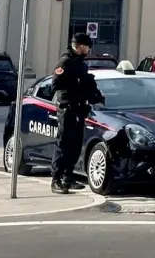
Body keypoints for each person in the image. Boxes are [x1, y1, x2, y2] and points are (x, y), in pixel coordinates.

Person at [49, 33, 105, 194]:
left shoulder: (81, 65)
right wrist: (77, 90)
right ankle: (56, 180)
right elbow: (55, 86)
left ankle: (68, 177)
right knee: (63, 145)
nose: (88, 50)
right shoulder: (65, 62)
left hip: (79, 110)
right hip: (67, 109)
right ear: (81, 46)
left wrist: (94, 94)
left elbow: (85, 84)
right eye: (87, 47)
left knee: (75, 146)